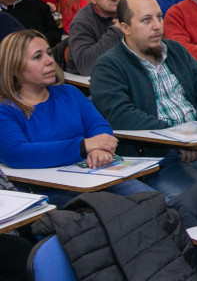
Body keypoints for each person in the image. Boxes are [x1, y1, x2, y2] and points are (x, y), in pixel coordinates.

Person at [90, 0, 197, 201]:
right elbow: (121, 115)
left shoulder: (175, 50)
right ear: (125, 28)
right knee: (196, 202)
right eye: (146, 20)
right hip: (159, 155)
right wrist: (179, 138)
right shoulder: (109, 66)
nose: (157, 25)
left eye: (159, 17)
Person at [0, 30, 156, 197]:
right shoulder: (6, 110)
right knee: (123, 215)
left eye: (49, 53)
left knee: (153, 202)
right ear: (14, 68)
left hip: (98, 174)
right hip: (55, 191)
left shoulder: (68, 92)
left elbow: (98, 125)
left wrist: (99, 150)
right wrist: (83, 147)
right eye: (38, 57)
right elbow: (15, 153)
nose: (50, 61)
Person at [66, 0, 124, 76]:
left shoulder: (130, 10)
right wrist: (117, 30)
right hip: (90, 84)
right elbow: (85, 66)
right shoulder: (81, 22)